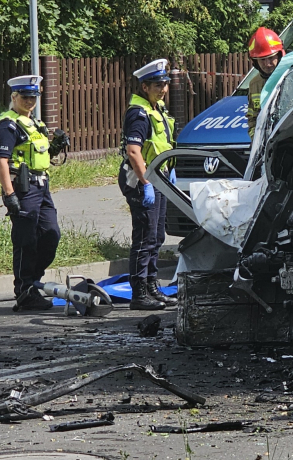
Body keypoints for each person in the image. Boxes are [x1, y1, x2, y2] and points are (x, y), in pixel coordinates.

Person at [0, 75, 61, 311]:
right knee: (26, 241)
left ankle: (32, 281)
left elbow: (40, 155)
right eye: (25, 97)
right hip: (23, 188)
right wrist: (9, 194)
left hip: (42, 187)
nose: (30, 101)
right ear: (14, 97)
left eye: (33, 97)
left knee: (51, 234)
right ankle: (24, 292)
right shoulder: (8, 125)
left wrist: (56, 147)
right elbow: (1, 160)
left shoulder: (35, 123)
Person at [119, 59, 178, 310]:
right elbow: (134, 152)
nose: (162, 89)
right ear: (144, 87)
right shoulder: (139, 113)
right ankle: (139, 293)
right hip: (142, 180)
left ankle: (152, 286)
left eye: (164, 84)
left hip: (158, 177)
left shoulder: (158, 109)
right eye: (157, 85)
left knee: (156, 236)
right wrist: (146, 183)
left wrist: (169, 171)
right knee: (144, 237)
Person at [246, 27, 285, 139]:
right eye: (262, 59)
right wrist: (256, 140)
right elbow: (252, 118)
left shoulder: (290, 77)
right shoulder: (254, 84)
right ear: (255, 61)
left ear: (279, 56)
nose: (267, 64)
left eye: (271, 58)